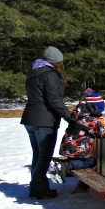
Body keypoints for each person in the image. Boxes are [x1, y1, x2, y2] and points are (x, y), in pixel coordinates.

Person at [20, 46, 73, 199]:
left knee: (38, 154)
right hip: (44, 121)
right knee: (44, 156)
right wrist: (71, 118)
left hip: (30, 118)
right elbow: (55, 101)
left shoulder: (34, 72)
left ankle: (38, 185)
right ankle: (37, 188)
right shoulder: (50, 75)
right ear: (56, 61)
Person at [49, 92, 105, 183]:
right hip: (78, 149)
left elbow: (86, 126)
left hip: (67, 146)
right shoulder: (93, 120)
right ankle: (65, 165)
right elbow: (102, 134)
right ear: (96, 109)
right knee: (91, 162)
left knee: (77, 159)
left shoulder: (76, 113)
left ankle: (63, 166)